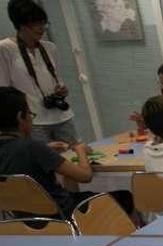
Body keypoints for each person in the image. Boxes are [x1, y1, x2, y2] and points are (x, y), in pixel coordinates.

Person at [0, 86, 133, 218]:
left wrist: (46, 149)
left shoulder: (31, 148)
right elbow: (85, 176)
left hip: (26, 219)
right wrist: (80, 150)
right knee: (125, 197)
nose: (31, 118)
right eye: (30, 114)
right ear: (20, 117)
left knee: (69, 184)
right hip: (65, 214)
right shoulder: (33, 147)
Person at [0, 0, 79, 151]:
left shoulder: (50, 48)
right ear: (22, 25)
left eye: (44, 23)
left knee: (77, 155)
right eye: (36, 24)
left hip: (61, 115)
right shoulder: (5, 49)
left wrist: (61, 90)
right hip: (34, 121)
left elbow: (55, 78)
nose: (42, 28)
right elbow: (4, 92)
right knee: (44, 163)